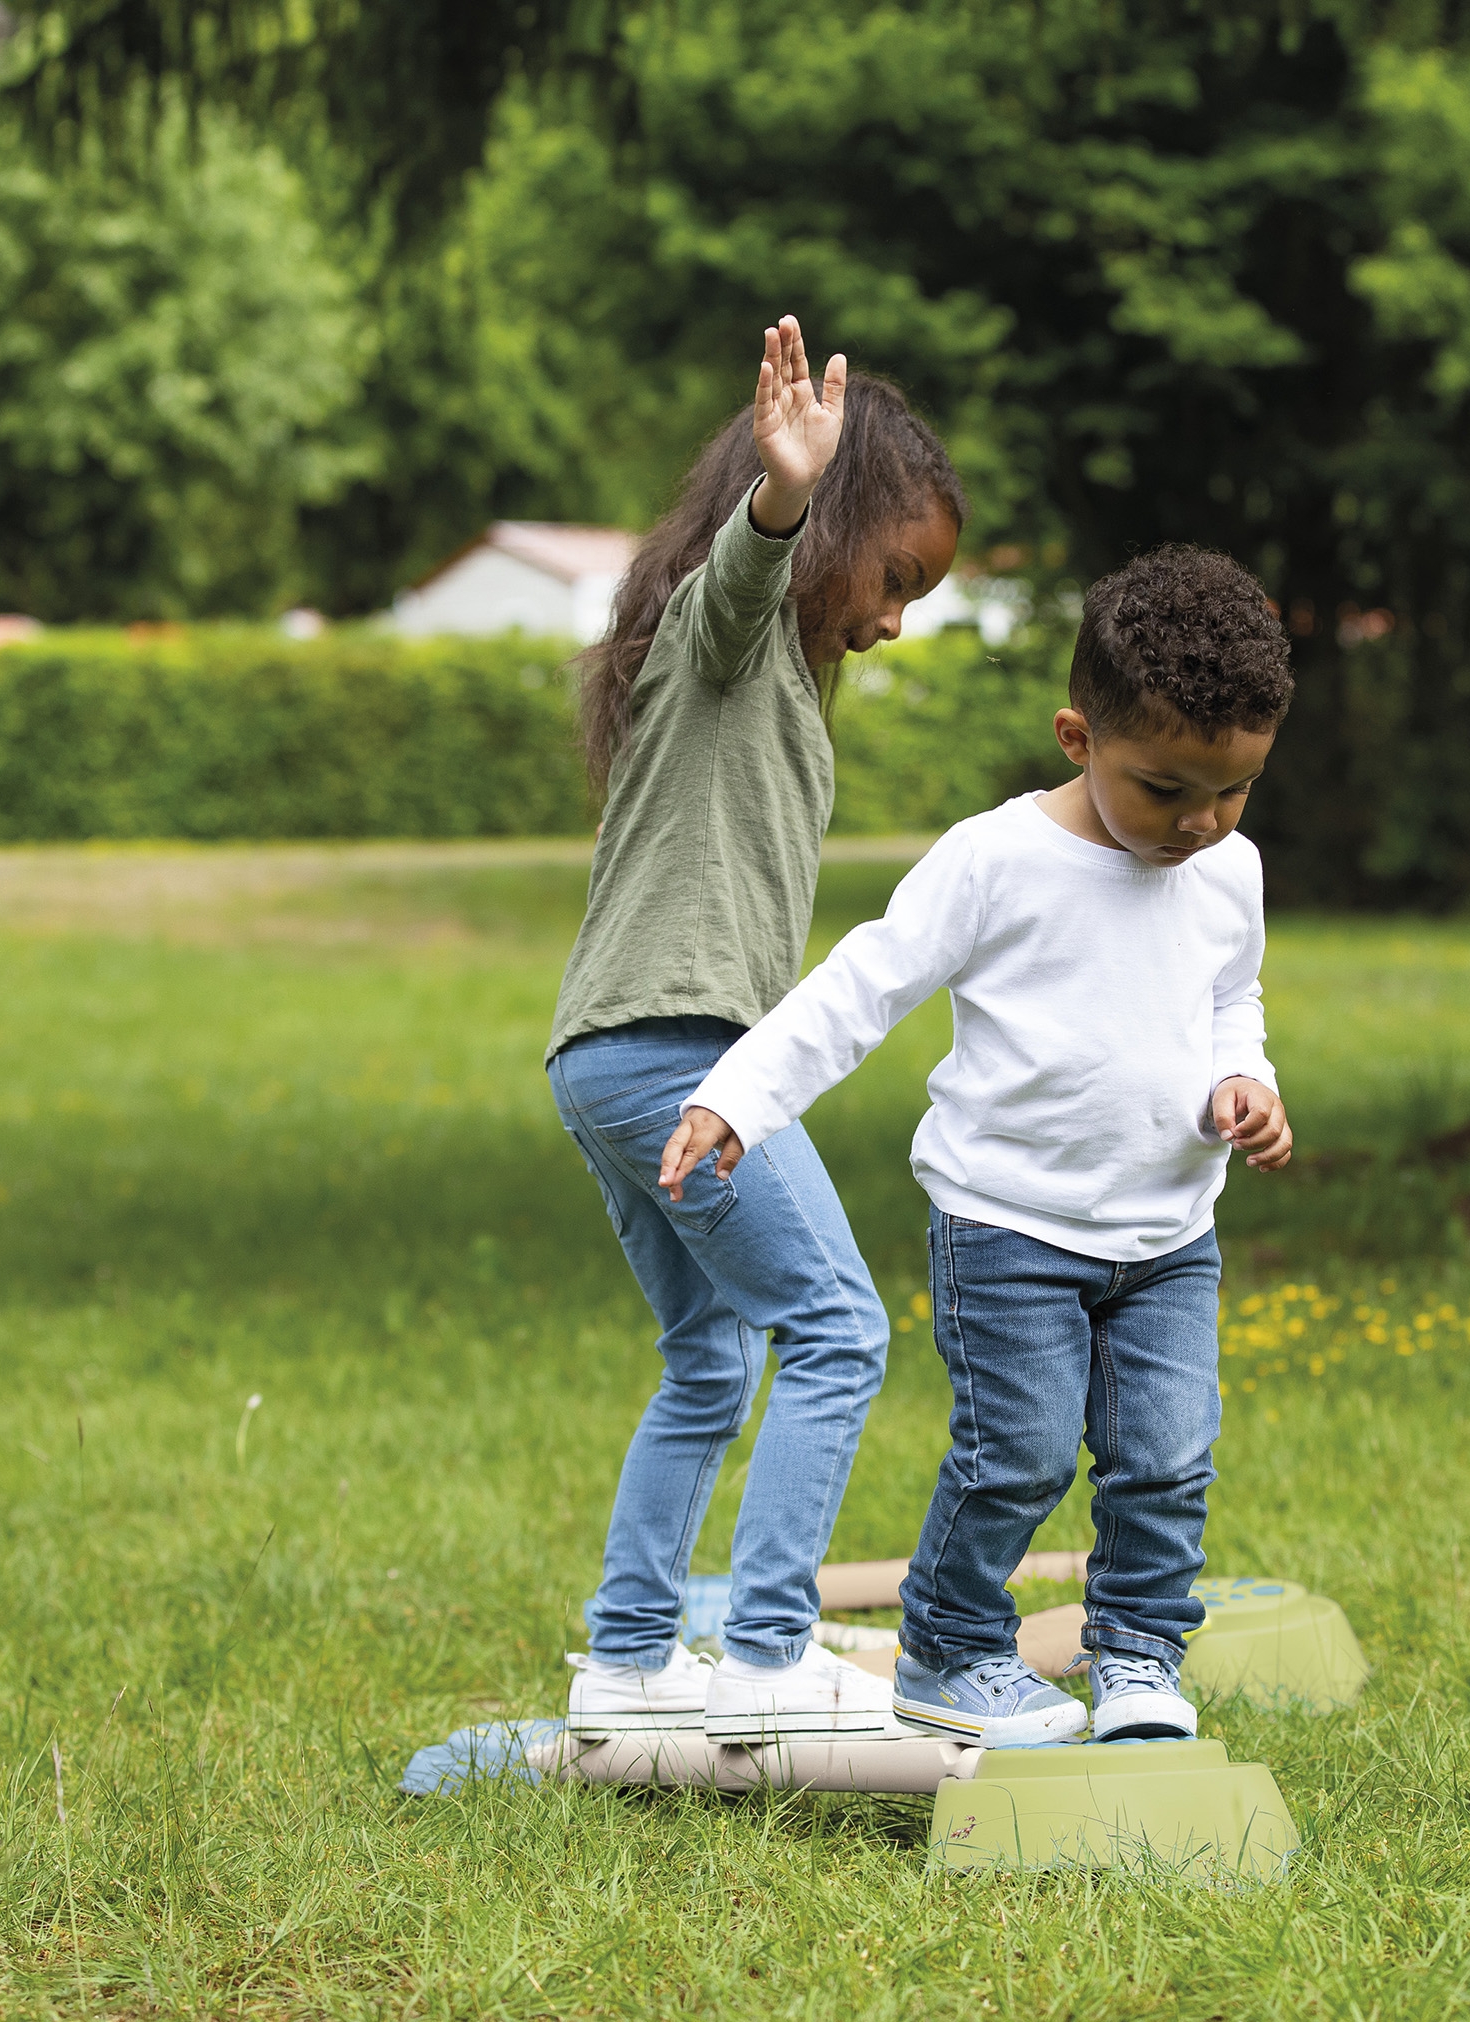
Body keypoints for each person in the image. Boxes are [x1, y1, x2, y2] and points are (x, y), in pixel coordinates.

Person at [658, 546, 1296, 1746]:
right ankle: (950, 1650)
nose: (1201, 823)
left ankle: (1139, 1660)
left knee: (1165, 1462)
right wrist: (737, 1096)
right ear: (1075, 737)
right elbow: (863, 987)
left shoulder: (1228, 872)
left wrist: (1242, 1078)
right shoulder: (998, 861)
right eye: (1165, 790)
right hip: (1009, 1225)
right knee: (1021, 1452)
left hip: (1169, 1234)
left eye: (1235, 792)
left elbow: (1232, 998)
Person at [548, 317, 965, 1743]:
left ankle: (629, 1650)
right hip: (674, 1050)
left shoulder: (752, 672)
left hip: (606, 1054)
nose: (898, 617)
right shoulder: (718, 637)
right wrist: (782, 495)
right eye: (897, 578)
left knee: (714, 1356)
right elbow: (744, 583)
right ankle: (767, 1654)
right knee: (839, 1328)